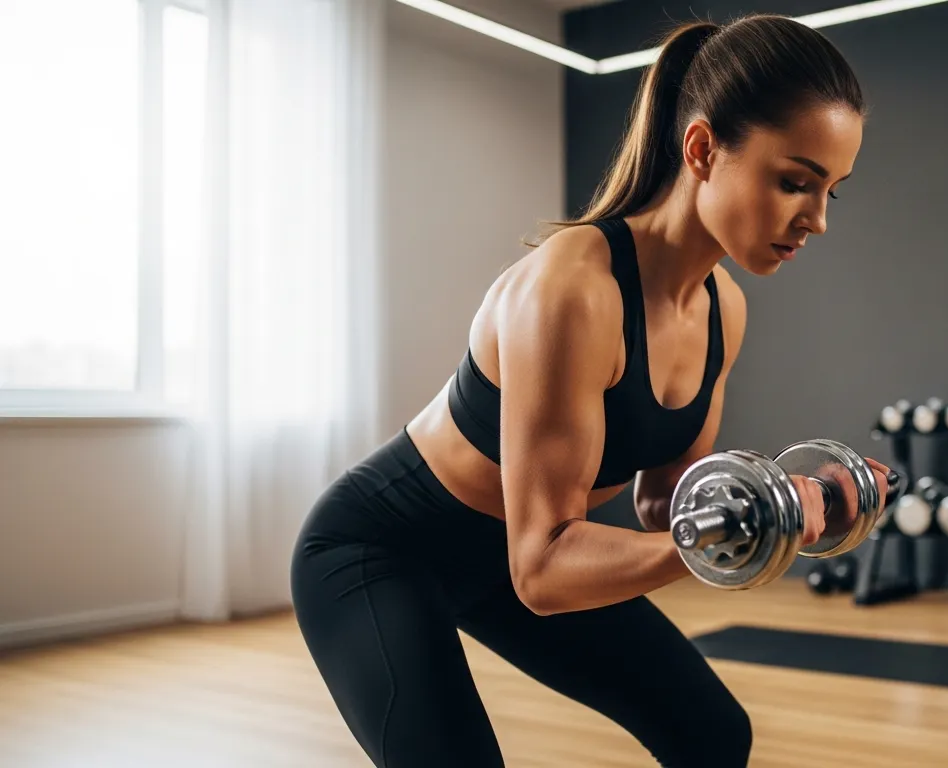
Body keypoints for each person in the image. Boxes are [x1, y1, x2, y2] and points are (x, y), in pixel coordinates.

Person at [290, 13, 889, 768]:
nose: (819, 220)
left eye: (833, 191)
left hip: (522, 552)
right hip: (384, 552)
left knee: (712, 733)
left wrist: (793, 502)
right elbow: (542, 570)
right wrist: (738, 528)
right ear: (702, 149)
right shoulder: (574, 288)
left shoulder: (723, 310)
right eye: (795, 182)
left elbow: (664, 507)